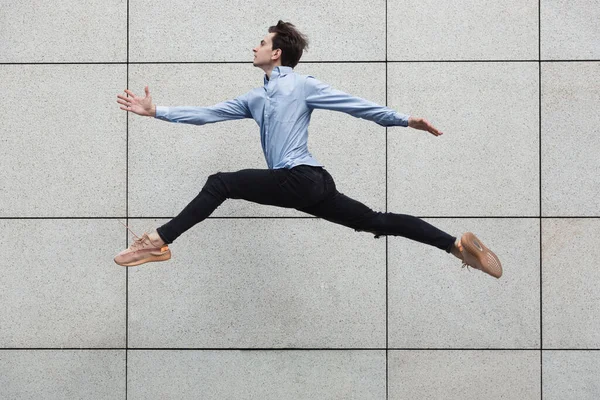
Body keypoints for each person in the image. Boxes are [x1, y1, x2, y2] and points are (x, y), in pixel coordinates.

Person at [114, 20, 502, 279]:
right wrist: (156, 111)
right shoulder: (255, 98)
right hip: (311, 187)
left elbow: (356, 105)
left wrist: (405, 120)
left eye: (262, 42)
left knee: (220, 183)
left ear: (278, 52)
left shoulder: (302, 85)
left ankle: (158, 242)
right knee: (376, 222)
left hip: (299, 178)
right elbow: (206, 114)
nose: (255, 46)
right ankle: (456, 246)